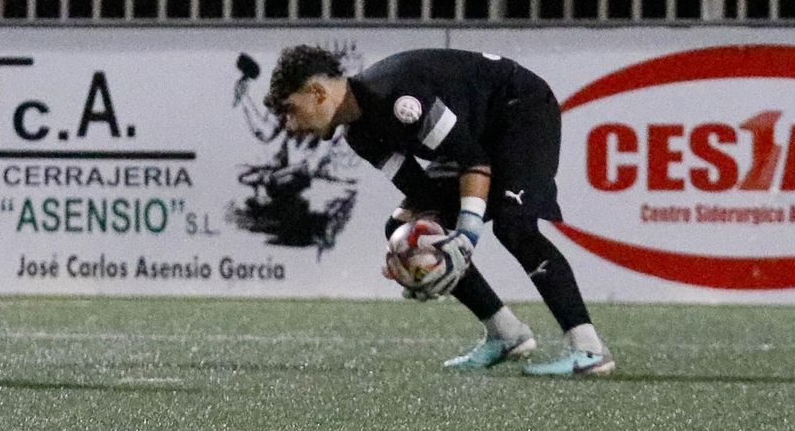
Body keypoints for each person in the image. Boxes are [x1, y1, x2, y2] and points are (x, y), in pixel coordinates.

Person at [263, 44, 614, 376]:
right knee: (401, 229)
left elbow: (473, 160)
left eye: (290, 110)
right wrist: (410, 256)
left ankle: (589, 350)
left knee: (514, 226)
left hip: (520, 108)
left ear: (317, 92)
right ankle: (507, 334)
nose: (290, 126)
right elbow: (424, 195)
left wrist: (466, 236)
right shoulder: (359, 136)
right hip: (475, 137)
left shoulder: (397, 97)